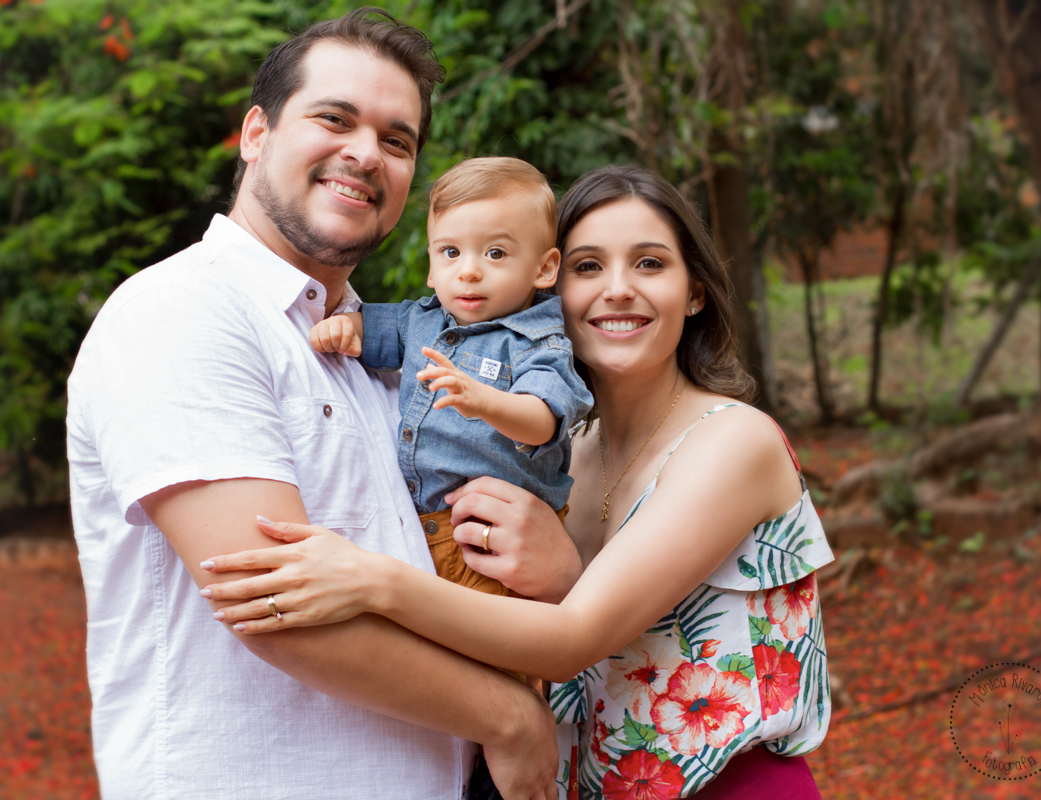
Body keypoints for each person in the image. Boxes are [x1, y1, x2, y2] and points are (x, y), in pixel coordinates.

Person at [201, 165, 835, 798]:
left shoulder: (732, 441)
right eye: (589, 267)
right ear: (553, 284)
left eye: (649, 264)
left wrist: (370, 580)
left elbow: (572, 640)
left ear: (695, 290)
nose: (616, 289)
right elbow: (598, 620)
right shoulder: (562, 456)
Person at [66, 9, 559, 800]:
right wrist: (511, 718)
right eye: (335, 118)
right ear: (255, 133)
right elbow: (269, 600)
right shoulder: (183, 312)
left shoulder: (383, 353)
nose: (365, 153)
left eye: (397, 141)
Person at [309, 156, 593, 608]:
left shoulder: (539, 344)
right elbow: (367, 331)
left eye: (495, 253)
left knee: (493, 655)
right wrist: (346, 330)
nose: (469, 270)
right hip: (418, 533)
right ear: (430, 265)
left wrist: (483, 400)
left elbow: (542, 421)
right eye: (450, 252)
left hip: (495, 546)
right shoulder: (418, 320)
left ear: (544, 269)